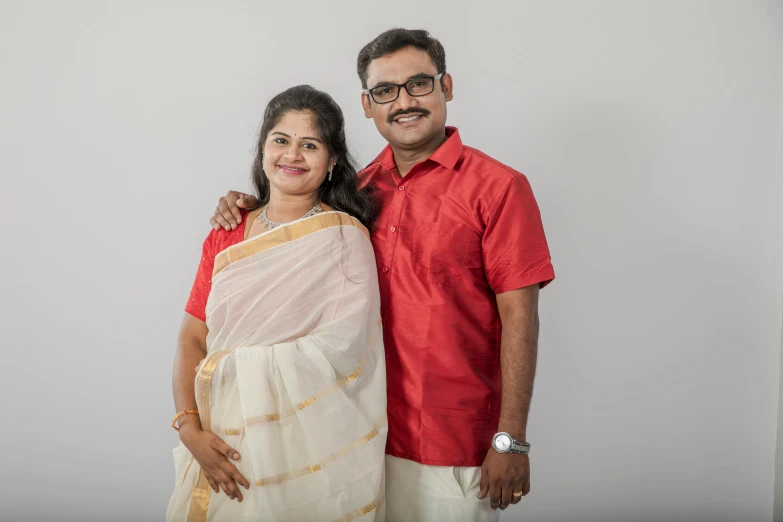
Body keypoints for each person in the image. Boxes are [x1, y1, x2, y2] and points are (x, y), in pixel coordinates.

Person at [211, 29, 555, 522]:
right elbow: (287, 225)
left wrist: (511, 441)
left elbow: (521, 319)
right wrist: (243, 205)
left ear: (447, 87)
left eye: (419, 84)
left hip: (454, 447)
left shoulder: (498, 188)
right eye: (385, 91)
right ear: (368, 105)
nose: (404, 102)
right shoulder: (354, 196)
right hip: (350, 438)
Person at [168, 85, 387, 522]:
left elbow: (347, 352)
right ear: (263, 149)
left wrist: (249, 369)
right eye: (280, 141)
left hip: (306, 446)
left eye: (310, 145)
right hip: (218, 435)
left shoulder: (343, 237)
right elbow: (194, 336)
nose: (292, 155)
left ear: (332, 162)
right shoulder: (225, 233)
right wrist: (189, 429)